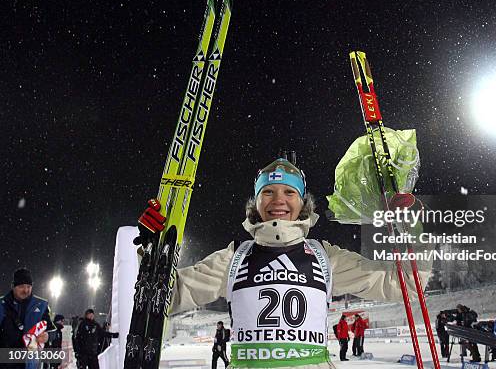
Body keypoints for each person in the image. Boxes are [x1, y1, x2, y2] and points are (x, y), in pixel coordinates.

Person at [134, 157, 430, 368]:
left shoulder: (324, 256)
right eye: (268, 192)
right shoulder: (235, 257)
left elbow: (404, 286)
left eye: (289, 192)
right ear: (257, 202)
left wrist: (413, 226)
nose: (279, 200)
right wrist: (151, 253)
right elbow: (165, 298)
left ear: (303, 203)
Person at [0, 268, 56, 369]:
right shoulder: (1, 305)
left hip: (30, 364)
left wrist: (48, 336)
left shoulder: (41, 305)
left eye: (28, 286)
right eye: (21, 286)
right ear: (13, 286)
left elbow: (52, 330)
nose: (26, 290)